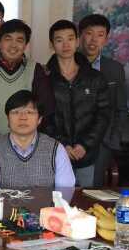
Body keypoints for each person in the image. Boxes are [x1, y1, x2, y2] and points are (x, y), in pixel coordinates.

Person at [46, 20, 110, 187]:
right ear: (52, 44)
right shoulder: (44, 78)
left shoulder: (95, 78)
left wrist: (84, 145)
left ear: (77, 41)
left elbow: (103, 115)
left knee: (86, 198)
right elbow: (43, 118)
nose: (65, 45)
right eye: (59, 40)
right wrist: (63, 145)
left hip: (88, 154)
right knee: (57, 199)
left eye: (70, 39)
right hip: (56, 153)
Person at [0, 19, 55, 142]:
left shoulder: (35, 69)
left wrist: (26, 140)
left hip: (28, 145)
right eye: (8, 39)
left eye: (19, 40)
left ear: (25, 45)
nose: (13, 45)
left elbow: (45, 109)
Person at [0, 90, 75, 189]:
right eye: (16, 112)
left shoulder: (57, 150)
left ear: (39, 119)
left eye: (29, 112)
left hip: (48, 200)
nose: (23, 117)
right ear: (8, 118)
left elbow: (65, 193)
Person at [79, 13, 128, 186]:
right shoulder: (66, 64)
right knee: (64, 190)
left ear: (106, 40)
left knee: (92, 190)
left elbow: (121, 109)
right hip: (71, 142)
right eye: (89, 33)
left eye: (100, 35)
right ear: (80, 36)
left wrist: (111, 142)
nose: (93, 40)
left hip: (102, 143)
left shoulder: (115, 69)